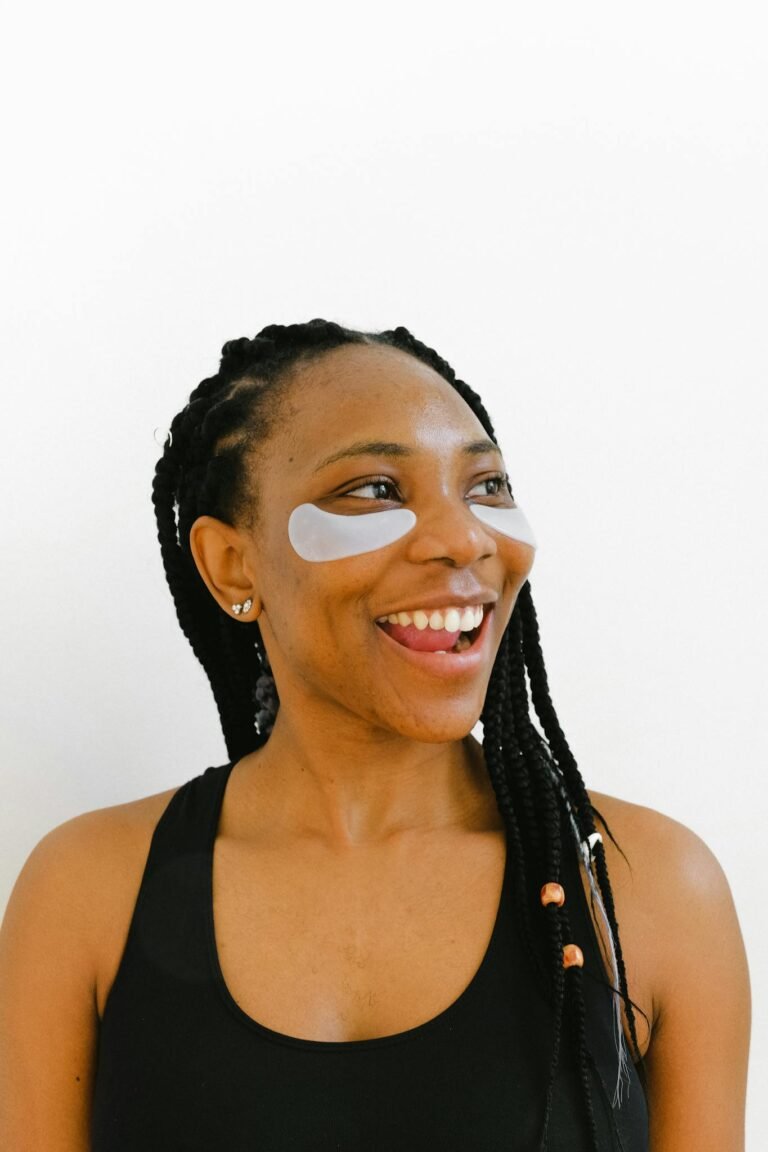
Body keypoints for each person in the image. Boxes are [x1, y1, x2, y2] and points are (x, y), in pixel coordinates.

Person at [0, 320, 750, 1150]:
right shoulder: (87, 893)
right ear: (231, 565)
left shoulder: (651, 890)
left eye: (487, 485)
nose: (465, 537)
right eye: (376, 490)